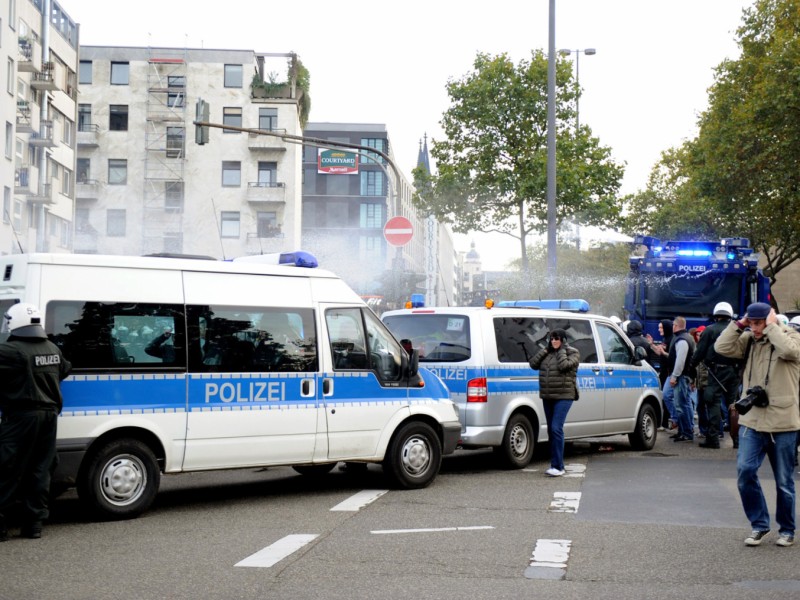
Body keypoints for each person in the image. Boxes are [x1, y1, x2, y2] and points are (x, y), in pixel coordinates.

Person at [715, 302, 800, 547]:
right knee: (745, 472)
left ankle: (787, 530)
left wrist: (772, 327)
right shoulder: (750, 340)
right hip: (752, 420)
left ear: (771, 319)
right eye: (751, 323)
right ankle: (759, 525)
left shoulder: (791, 337)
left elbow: (790, 352)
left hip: (783, 423)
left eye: (758, 322)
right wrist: (739, 324)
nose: (755, 328)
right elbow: (721, 347)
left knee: (783, 481)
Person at [0, 303, 71, 541]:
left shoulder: (11, 350)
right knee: (41, 469)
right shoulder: (52, 347)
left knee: (7, 468)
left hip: (22, 418)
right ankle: (34, 524)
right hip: (49, 417)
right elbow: (65, 369)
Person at [529, 329, 580, 477]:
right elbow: (533, 364)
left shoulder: (573, 353)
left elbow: (564, 366)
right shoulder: (548, 352)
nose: (553, 341)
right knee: (551, 431)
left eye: (557, 339)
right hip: (548, 396)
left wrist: (562, 350)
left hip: (564, 395)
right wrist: (545, 350)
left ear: (563, 340)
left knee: (556, 428)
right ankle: (555, 465)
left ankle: (559, 467)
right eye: (551, 339)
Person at [692, 302, 740, 449]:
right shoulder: (738, 330)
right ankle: (737, 440)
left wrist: (691, 367)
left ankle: (713, 438)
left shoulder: (709, 330)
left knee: (713, 403)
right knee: (735, 405)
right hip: (734, 372)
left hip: (716, 372)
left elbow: (699, 352)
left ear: (716, 314)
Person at [666, 317, 696, 442]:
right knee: (685, 404)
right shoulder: (687, 338)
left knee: (681, 405)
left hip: (681, 377)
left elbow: (680, 361)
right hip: (685, 376)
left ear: (675, 325)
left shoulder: (681, 340)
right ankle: (685, 431)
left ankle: (686, 432)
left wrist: (674, 376)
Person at [650, 319, 675, 428]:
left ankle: (671, 419)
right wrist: (651, 345)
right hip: (664, 371)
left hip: (670, 372)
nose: (659, 329)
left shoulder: (671, 339)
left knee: (666, 397)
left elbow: (669, 355)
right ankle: (665, 421)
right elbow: (660, 353)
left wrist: (662, 351)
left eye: (661, 327)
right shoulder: (665, 339)